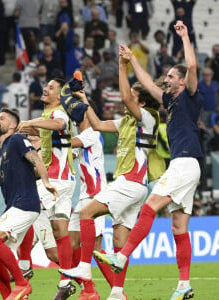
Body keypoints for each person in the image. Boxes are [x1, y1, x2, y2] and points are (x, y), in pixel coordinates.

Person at [97, 21, 202, 300]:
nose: (166, 79)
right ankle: (183, 285)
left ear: (181, 81)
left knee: (149, 208)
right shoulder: (169, 101)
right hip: (187, 165)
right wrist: (131, 61)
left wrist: (185, 37)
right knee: (179, 227)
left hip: (184, 162)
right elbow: (145, 84)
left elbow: (192, 67)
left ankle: (122, 257)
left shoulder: (190, 94)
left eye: (170, 76)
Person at [59, 55, 163, 300]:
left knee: (86, 213)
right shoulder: (125, 121)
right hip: (137, 187)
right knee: (118, 242)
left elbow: (126, 96)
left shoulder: (147, 117)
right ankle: (117, 291)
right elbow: (96, 124)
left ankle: (84, 266)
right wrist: (84, 101)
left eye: (133, 99)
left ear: (143, 103)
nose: (126, 102)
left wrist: (122, 64)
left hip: (130, 182)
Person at [0, 108, 58, 300]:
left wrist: (46, 180)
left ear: (12, 125)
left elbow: (35, 158)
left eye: (2, 118)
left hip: (25, 204)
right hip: (16, 207)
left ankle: (21, 283)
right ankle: (12, 297)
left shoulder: (17, 140)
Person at [18, 78, 77, 300]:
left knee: (23, 210)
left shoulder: (59, 112)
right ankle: (70, 281)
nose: (45, 89)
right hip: (61, 181)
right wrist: (22, 126)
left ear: (60, 94)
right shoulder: (46, 117)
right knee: (56, 245)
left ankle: (23, 268)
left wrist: (27, 122)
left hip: (55, 180)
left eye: (51, 88)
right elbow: (37, 131)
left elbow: (59, 125)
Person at [68, 100, 108, 299]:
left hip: (96, 196)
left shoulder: (92, 133)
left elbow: (69, 143)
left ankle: (119, 291)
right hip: (84, 196)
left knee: (96, 247)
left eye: (75, 110)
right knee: (71, 243)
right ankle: (88, 290)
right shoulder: (80, 136)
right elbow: (68, 154)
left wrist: (48, 136)